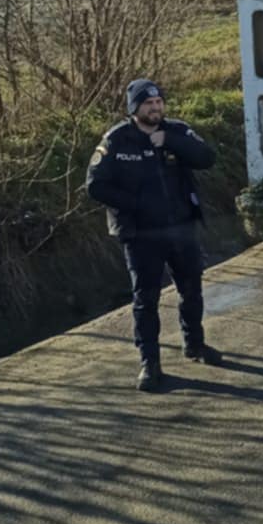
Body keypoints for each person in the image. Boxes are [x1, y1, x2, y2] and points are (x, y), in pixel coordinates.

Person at [86, 79, 220, 392]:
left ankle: (195, 344)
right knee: (146, 299)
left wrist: (170, 142)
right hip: (140, 234)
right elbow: (95, 185)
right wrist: (136, 205)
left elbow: (207, 158)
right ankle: (150, 364)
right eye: (148, 104)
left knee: (191, 289)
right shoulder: (117, 140)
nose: (155, 108)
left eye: (159, 102)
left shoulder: (178, 131)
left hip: (181, 228)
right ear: (135, 108)